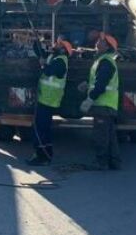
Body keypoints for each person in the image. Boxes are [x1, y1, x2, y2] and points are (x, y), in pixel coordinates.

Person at [80, 33, 122, 170]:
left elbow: (101, 84)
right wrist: (88, 85)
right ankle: (114, 162)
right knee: (110, 135)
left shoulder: (106, 62)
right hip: (107, 105)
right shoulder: (104, 60)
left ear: (107, 46)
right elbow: (98, 80)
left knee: (101, 135)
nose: (97, 42)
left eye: (101, 41)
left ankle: (101, 162)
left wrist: (90, 98)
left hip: (103, 105)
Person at [28, 37, 71, 166]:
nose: (54, 45)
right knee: (43, 128)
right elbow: (40, 52)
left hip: (49, 100)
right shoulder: (53, 57)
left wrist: (42, 64)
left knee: (41, 128)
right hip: (45, 98)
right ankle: (45, 154)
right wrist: (36, 41)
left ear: (63, 49)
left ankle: (42, 157)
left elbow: (49, 71)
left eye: (58, 44)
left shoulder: (61, 61)